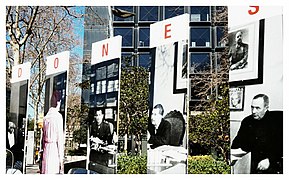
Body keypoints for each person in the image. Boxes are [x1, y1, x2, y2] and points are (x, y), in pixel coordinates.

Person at [231, 94, 283, 174]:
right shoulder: (247, 121)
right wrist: (231, 155)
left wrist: (270, 160)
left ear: (266, 108)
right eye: (252, 107)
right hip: (254, 165)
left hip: (275, 167)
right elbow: (238, 142)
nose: (253, 111)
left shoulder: (278, 120)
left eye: (257, 108)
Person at [41, 90, 64, 174]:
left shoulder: (46, 117)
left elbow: (43, 138)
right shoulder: (58, 117)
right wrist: (61, 159)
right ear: (58, 102)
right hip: (54, 149)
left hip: (46, 150)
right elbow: (60, 139)